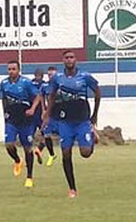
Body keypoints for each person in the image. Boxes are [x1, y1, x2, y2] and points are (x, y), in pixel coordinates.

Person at [43, 51, 101, 198]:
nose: (69, 60)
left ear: (76, 60)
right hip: (65, 122)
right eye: (66, 58)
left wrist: (94, 115)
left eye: (71, 57)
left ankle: (92, 136)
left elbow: (97, 92)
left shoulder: (85, 76)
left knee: (85, 153)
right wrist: (47, 115)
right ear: (63, 60)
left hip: (82, 121)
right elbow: (51, 95)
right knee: (66, 153)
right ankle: (72, 188)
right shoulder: (57, 78)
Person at [0, 60, 41, 188]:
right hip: (11, 119)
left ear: (18, 70)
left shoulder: (26, 82)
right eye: (9, 69)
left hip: (25, 119)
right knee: (9, 145)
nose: (11, 71)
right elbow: (4, 99)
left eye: (13, 69)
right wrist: (5, 113)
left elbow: (38, 96)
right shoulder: (4, 83)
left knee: (27, 148)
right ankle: (17, 160)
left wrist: (33, 109)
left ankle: (29, 177)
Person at [41, 66, 59, 166]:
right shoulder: (45, 86)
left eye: (52, 74)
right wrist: (43, 110)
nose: (50, 76)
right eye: (49, 75)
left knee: (65, 134)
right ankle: (51, 155)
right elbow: (42, 97)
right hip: (50, 114)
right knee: (46, 133)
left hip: (60, 114)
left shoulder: (61, 84)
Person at [31, 68, 46, 164]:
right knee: (46, 135)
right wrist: (45, 110)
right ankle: (39, 149)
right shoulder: (44, 85)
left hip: (31, 114)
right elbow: (42, 99)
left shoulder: (29, 84)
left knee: (28, 136)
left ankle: (29, 156)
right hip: (40, 113)